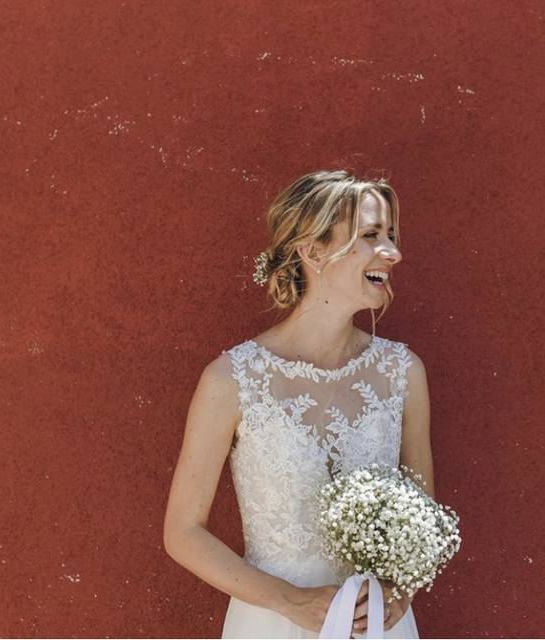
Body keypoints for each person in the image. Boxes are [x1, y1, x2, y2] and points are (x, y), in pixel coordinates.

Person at [163, 169, 434, 638]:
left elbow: (422, 514)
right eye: (371, 235)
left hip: (375, 627)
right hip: (272, 623)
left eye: (391, 235)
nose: (393, 252)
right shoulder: (232, 380)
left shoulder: (402, 372)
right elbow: (183, 532)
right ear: (312, 251)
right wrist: (291, 602)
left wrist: (398, 591)